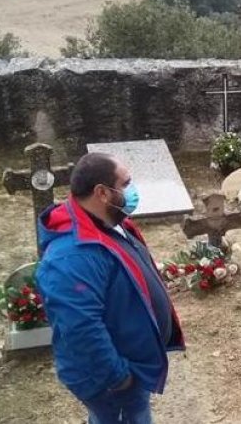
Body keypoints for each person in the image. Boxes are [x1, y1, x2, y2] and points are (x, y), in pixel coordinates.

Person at [36, 152, 184, 424]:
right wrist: (119, 377)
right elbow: (80, 328)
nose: (132, 190)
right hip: (112, 381)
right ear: (102, 193)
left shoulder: (106, 222)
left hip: (129, 363)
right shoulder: (71, 257)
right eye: (126, 184)